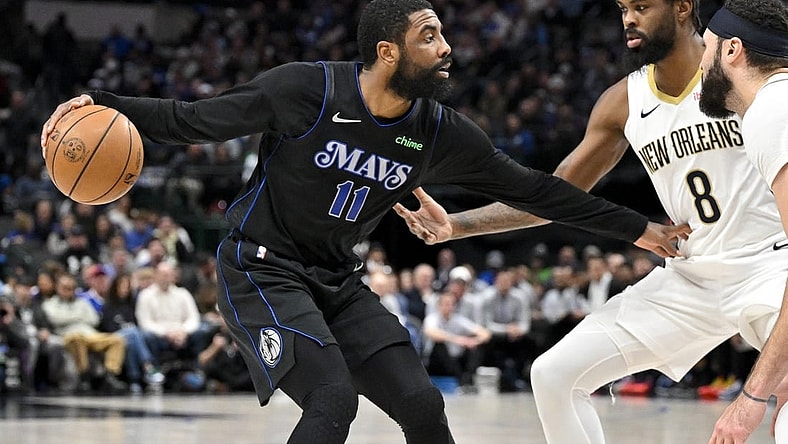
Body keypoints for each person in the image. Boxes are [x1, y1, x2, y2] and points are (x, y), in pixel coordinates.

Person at [40, 1, 686, 442]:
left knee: (422, 404)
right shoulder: (305, 91)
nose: (447, 48)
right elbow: (189, 120)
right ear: (387, 50)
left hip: (338, 281)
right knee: (332, 401)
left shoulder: (437, 131)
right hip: (259, 269)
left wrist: (638, 229)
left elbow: (539, 191)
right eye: (429, 35)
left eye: (444, 33)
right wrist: (105, 103)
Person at [394, 0, 788, 442]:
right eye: (622, 8)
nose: (628, 18)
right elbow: (555, 194)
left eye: (641, 6)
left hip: (768, 267)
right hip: (692, 275)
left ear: (682, 7)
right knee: (553, 374)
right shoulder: (623, 101)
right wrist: (457, 225)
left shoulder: (739, 74)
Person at [696, 1, 788, 442]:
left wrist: (750, 399)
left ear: (732, 50)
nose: (699, 63)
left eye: (705, 48)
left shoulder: (773, 109)